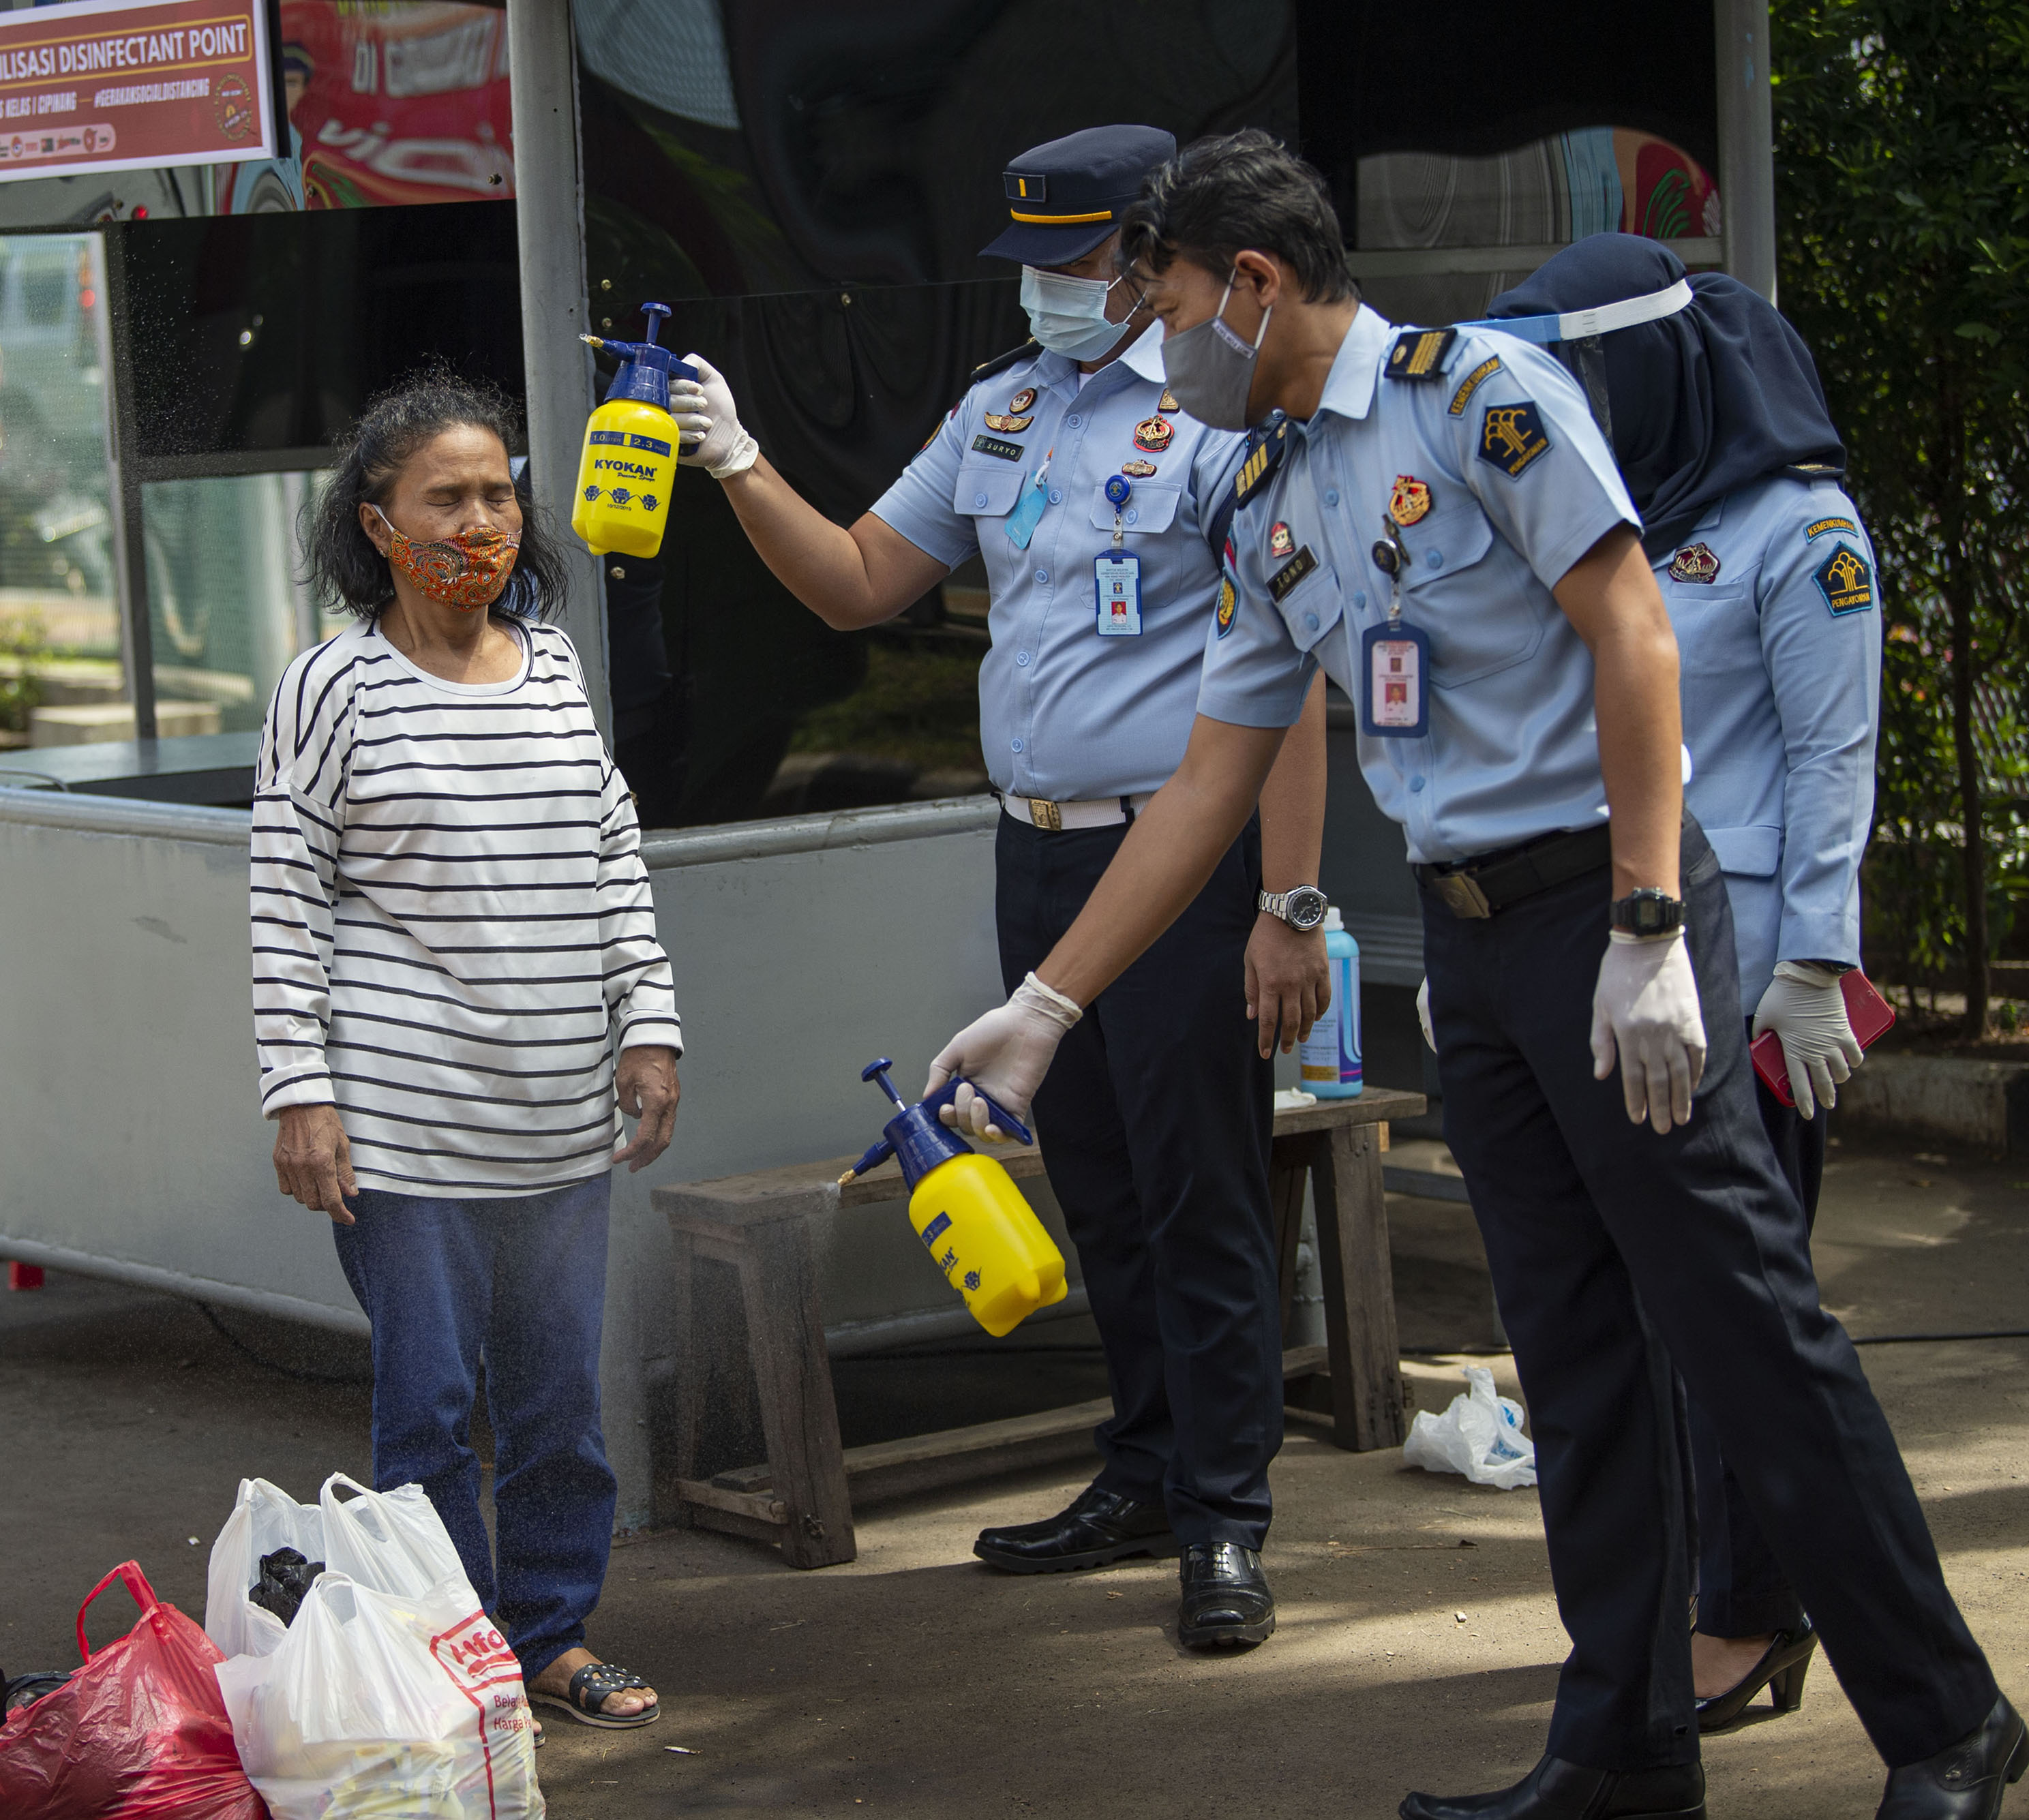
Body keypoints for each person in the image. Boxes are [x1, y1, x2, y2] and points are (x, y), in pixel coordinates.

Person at [925, 132, 2018, 1820]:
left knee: (1740, 1333)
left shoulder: (1472, 396)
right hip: (1480, 946)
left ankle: (1946, 1721)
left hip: (1611, 915)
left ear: (1256, 286)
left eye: (1167, 302)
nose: (1152, 337)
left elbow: (1629, 627)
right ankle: (1621, 1746)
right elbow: (1213, 776)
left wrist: (1653, 929)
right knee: (1569, 1355)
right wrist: (1049, 1004)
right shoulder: (1268, 487)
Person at [664, 124, 1334, 1652]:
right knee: (1096, 1186)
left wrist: (1289, 904)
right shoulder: (1002, 411)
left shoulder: (1223, 410)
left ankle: (1226, 1519)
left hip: (1174, 856)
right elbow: (853, 581)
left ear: (1153, 259)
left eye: (1080, 263)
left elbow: (1286, 685)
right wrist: (736, 458)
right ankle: (1147, 1469)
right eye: (1028, 266)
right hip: (1032, 850)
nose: (1047, 292)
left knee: (1201, 1194)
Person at [1488, 234, 1882, 1735]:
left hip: (1753, 978)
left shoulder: (1803, 530)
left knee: (1740, 1320)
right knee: (1642, 1312)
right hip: (1633, 954)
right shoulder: (1620, 526)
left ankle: (1749, 1618)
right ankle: (1674, 1612)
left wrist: (1814, 970)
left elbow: (1831, 758)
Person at [252, 371, 681, 1729]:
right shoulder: (330, 688)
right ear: (377, 524)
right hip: (403, 1130)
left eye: (498, 493)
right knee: (430, 1412)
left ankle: (547, 1634)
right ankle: (449, 1658)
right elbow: (282, 898)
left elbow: (610, 854)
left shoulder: (552, 664)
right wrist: (300, 1093)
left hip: (554, 1123)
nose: (480, 521)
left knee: (556, 1408)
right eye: (447, 498)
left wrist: (649, 1022)